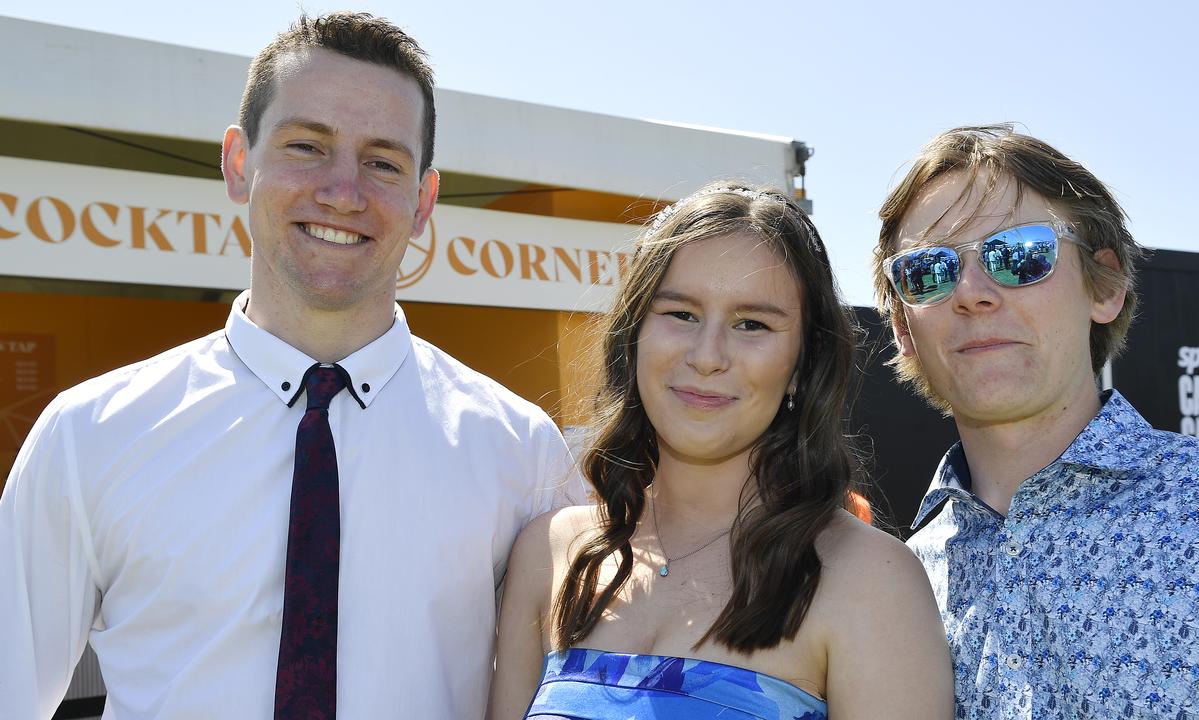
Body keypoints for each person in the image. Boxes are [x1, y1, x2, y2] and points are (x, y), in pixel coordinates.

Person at [0, 13, 575, 719]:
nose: (343, 190)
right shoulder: (88, 436)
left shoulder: (523, 454)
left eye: (383, 161)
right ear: (239, 164)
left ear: (423, 201)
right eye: (307, 146)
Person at [487, 183, 954, 720]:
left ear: (804, 362)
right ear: (634, 334)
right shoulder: (550, 553)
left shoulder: (871, 580)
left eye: (751, 324)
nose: (707, 356)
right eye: (680, 314)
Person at [874, 125, 1199, 719]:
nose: (972, 293)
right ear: (903, 329)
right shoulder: (894, 588)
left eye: (1018, 254)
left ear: (1106, 285)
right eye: (927, 272)